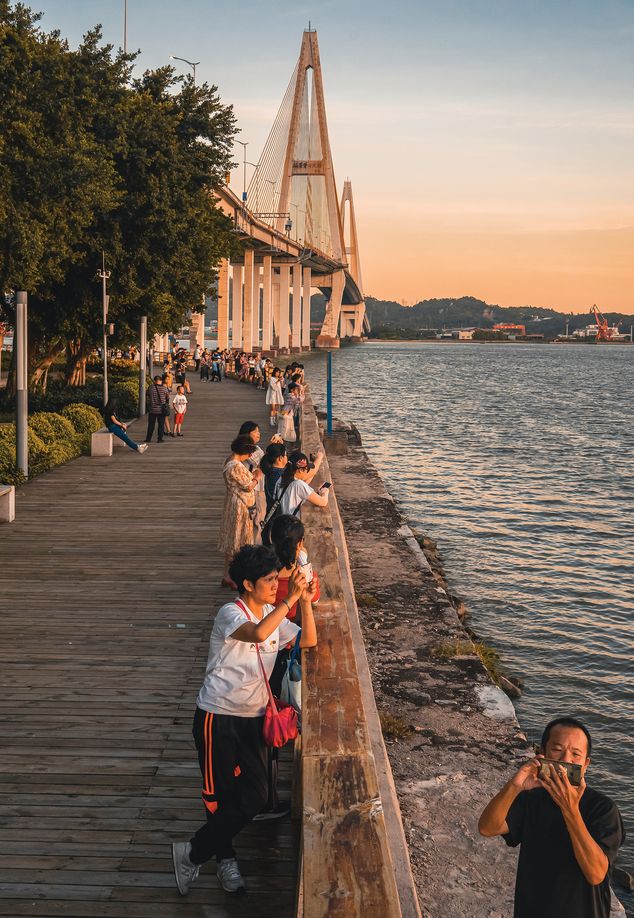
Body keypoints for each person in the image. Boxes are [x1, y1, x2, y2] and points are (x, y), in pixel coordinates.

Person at [171, 545, 315, 896]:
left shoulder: (271, 612)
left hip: (253, 719)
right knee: (217, 796)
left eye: (275, 579)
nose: (274, 585)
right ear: (248, 584)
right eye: (268, 580)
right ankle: (225, 859)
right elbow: (257, 634)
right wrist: (289, 600)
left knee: (256, 795)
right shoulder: (230, 614)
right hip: (216, 717)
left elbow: (308, 640)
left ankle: (191, 852)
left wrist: (306, 600)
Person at [478, 716, 625, 918]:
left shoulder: (603, 809)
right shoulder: (532, 799)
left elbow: (596, 873)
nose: (565, 760)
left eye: (575, 754)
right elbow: (487, 827)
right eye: (557, 750)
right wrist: (515, 786)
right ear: (542, 753)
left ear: (586, 764)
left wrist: (570, 809)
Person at [218, 435, 262, 588]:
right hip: (239, 506)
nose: (250, 456)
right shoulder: (235, 466)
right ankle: (236, 576)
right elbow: (249, 486)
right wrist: (257, 476)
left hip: (233, 502)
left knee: (232, 540)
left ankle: (227, 575)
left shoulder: (229, 460)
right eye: (249, 453)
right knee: (238, 540)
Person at [279, 450, 329, 517]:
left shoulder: (282, 478)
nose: (308, 472)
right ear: (300, 470)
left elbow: (303, 484)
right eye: (307, 469)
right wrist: (325, 492)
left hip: (282, 520)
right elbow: (322, 502)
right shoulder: (298, 484)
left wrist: (312, 474)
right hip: (293, 523)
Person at [260, 442, 288, 514]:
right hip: (280, 516)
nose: (287, 457)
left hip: (271, 514)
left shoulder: (270, 471)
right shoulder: (280, 474)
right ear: (280, 459)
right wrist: (319, 457)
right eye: (285, 455)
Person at [146, 375, 170, 443]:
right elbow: (167, 397)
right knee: (161, 425)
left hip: (152, 409)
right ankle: (160, 439)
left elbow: (147, 394)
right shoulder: (164, 388)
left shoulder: (151, 388)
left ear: (154, 381)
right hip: (161, 410)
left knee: (151, 425)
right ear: (161, 381)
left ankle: (148, 438)